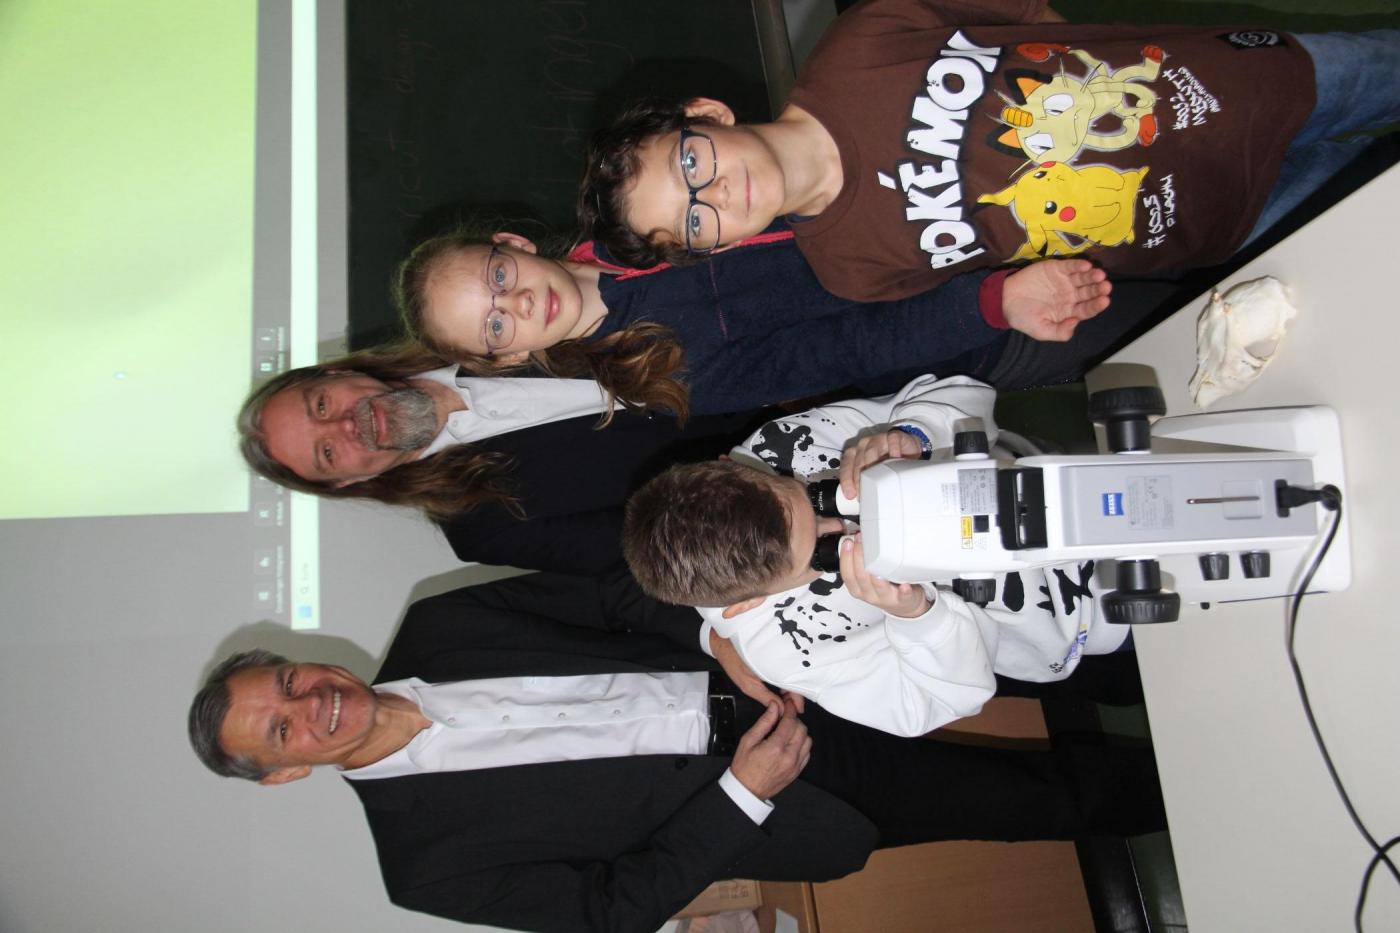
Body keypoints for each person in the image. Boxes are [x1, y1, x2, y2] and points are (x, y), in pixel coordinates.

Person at [188, 570, 1167, 933]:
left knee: (1027, 656)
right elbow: (609, 910)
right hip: (784, 789)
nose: (310, 702)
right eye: (281, 728)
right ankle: (1210, 795)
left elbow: (613, 596)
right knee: (1031, 800)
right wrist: (742, 794)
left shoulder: (441, 623)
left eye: (288, 680)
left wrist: (722, 638)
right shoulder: (424, 868)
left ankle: (1182, 652)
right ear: (286, 772)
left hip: (779, 663)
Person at [580, 0, 1400, 302]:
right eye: (694, 223)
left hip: (1226, 91)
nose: (717, 196)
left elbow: (1028, 15)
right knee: (1375, 213)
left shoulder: (863, 41)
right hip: (1206, 224)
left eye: (691, 166)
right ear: (714, 248)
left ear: (707, 114)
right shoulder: (850, 272)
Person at [622, 374, 1130, 737]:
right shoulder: (783, 650)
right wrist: (916, 616)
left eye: (813, 496)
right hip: (1097, 608)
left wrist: (916, 432)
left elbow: (964, 392)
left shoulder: (780, 445)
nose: (843, 525)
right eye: (820, 552)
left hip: (1076, 481)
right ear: (745, 605)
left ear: (735, 465)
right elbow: (937, 702)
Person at [394, 220, 1113, 418]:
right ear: (508, 359)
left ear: (513, 245)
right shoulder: (663, 373)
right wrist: (994, 303)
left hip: (976, 213)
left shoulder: (637, 213)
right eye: (495, 326)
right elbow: (851, 349)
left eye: (498, 278)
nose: (518, 303)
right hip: (991, 319)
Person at [236, 343, 764, 574]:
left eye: (321, 405)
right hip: (778, 459)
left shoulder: (473, 324)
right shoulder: (484, 528)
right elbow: (675, 538)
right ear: (346, 483)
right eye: (327, 452)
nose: (345, 425)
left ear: (334, 374)